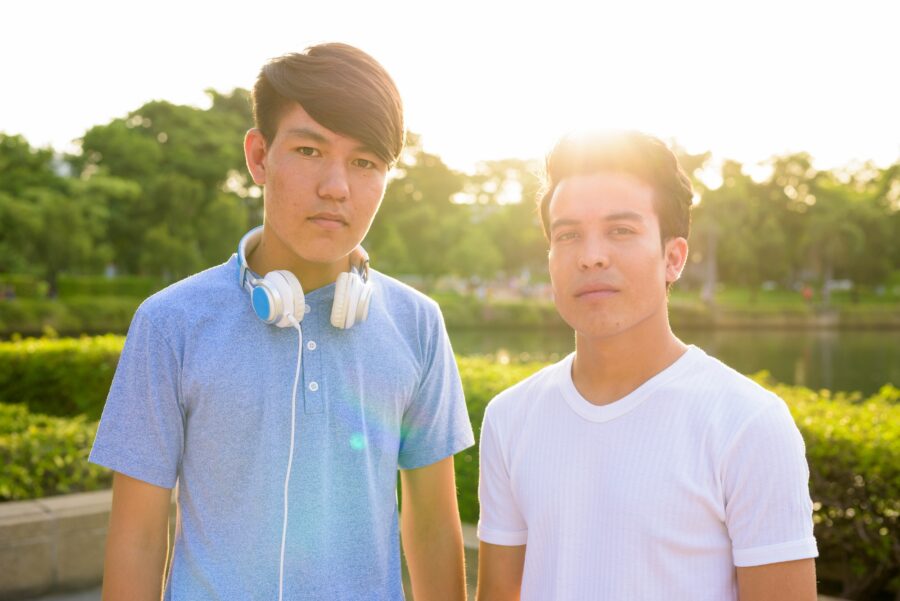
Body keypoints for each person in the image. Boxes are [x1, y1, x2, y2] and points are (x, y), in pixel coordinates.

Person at [90, 43, 474, 601]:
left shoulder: (418, 324)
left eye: (365, 162)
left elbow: (436, 528)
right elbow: (138, 539)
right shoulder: (170, 323)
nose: (336, 187)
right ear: (259, 156)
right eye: (310, 150)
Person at [475, 130, 818, 601]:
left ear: (673, 258)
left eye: (621, 231)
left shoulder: (749, 423)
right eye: (569, 235)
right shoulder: (509, 417)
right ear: (551, 257)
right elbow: (499, 593)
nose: (591, 256)